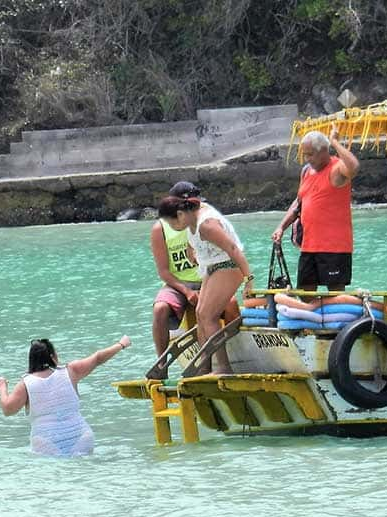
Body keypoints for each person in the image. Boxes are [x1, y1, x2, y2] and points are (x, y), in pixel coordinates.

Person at [157, 194, 252, 373]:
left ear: (180, 214)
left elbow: (233, 249)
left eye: (172, 223)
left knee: (209, 317)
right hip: (212, 268)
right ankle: (205, 366)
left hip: (229, 266)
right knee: (201, 314)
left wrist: (249, 280)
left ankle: (224, 367)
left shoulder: (206, 225)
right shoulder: (190, 223)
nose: (172, 228)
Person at [0, 336, 131, 457]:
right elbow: (97, 358)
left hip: (46, 442)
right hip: (81, 437)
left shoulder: (25, 384)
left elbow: (8, 410)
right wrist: (121, 344)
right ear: (53, 357)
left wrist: (2, 387)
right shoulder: (70, 371)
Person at [271, 128, 359, 292]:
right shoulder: (306, 171)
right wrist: (281, 227)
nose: (307, 158)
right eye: (305, 154)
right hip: (309, 245)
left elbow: (353, 167)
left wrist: (334, 142)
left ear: (324, 151)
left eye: (310, 154)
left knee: (335, 295)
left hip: (334, 246)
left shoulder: (336, 169)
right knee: (305, 292)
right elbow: (299, 202)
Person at [150, 181, 204, 357]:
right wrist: (187, 291)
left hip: (207, 279)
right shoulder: (160, 228)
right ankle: (161, 363)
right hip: (178, 284)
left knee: (214, 307)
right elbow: (164, 272)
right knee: (160, 309)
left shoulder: (203, 220)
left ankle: (215, 356)